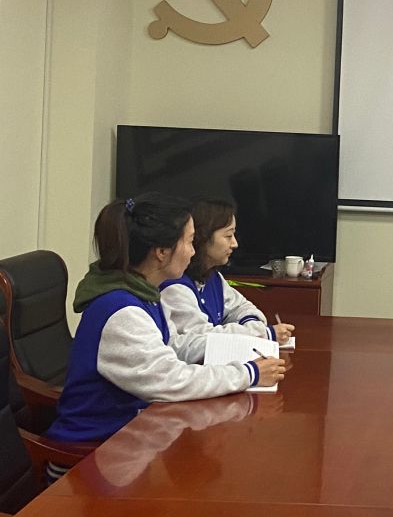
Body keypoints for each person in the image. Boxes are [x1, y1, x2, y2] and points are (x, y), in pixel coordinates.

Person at [46, 193, 286, 452]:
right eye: (190, 242)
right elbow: (171, 379)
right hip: (90, 454)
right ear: (161, 252)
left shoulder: (145, 293)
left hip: (129, 439)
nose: (193, 252)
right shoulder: (122, 312)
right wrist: (248, 373)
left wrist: (242, 353)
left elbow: (175, 347)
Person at [160, 199, 294, 344]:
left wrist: (254, 327)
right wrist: (262, 334)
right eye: (228, 236)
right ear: (202, 238)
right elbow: (203, 338)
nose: (235, 244)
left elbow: (241, 307)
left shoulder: (212, 276)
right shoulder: (175, 287)